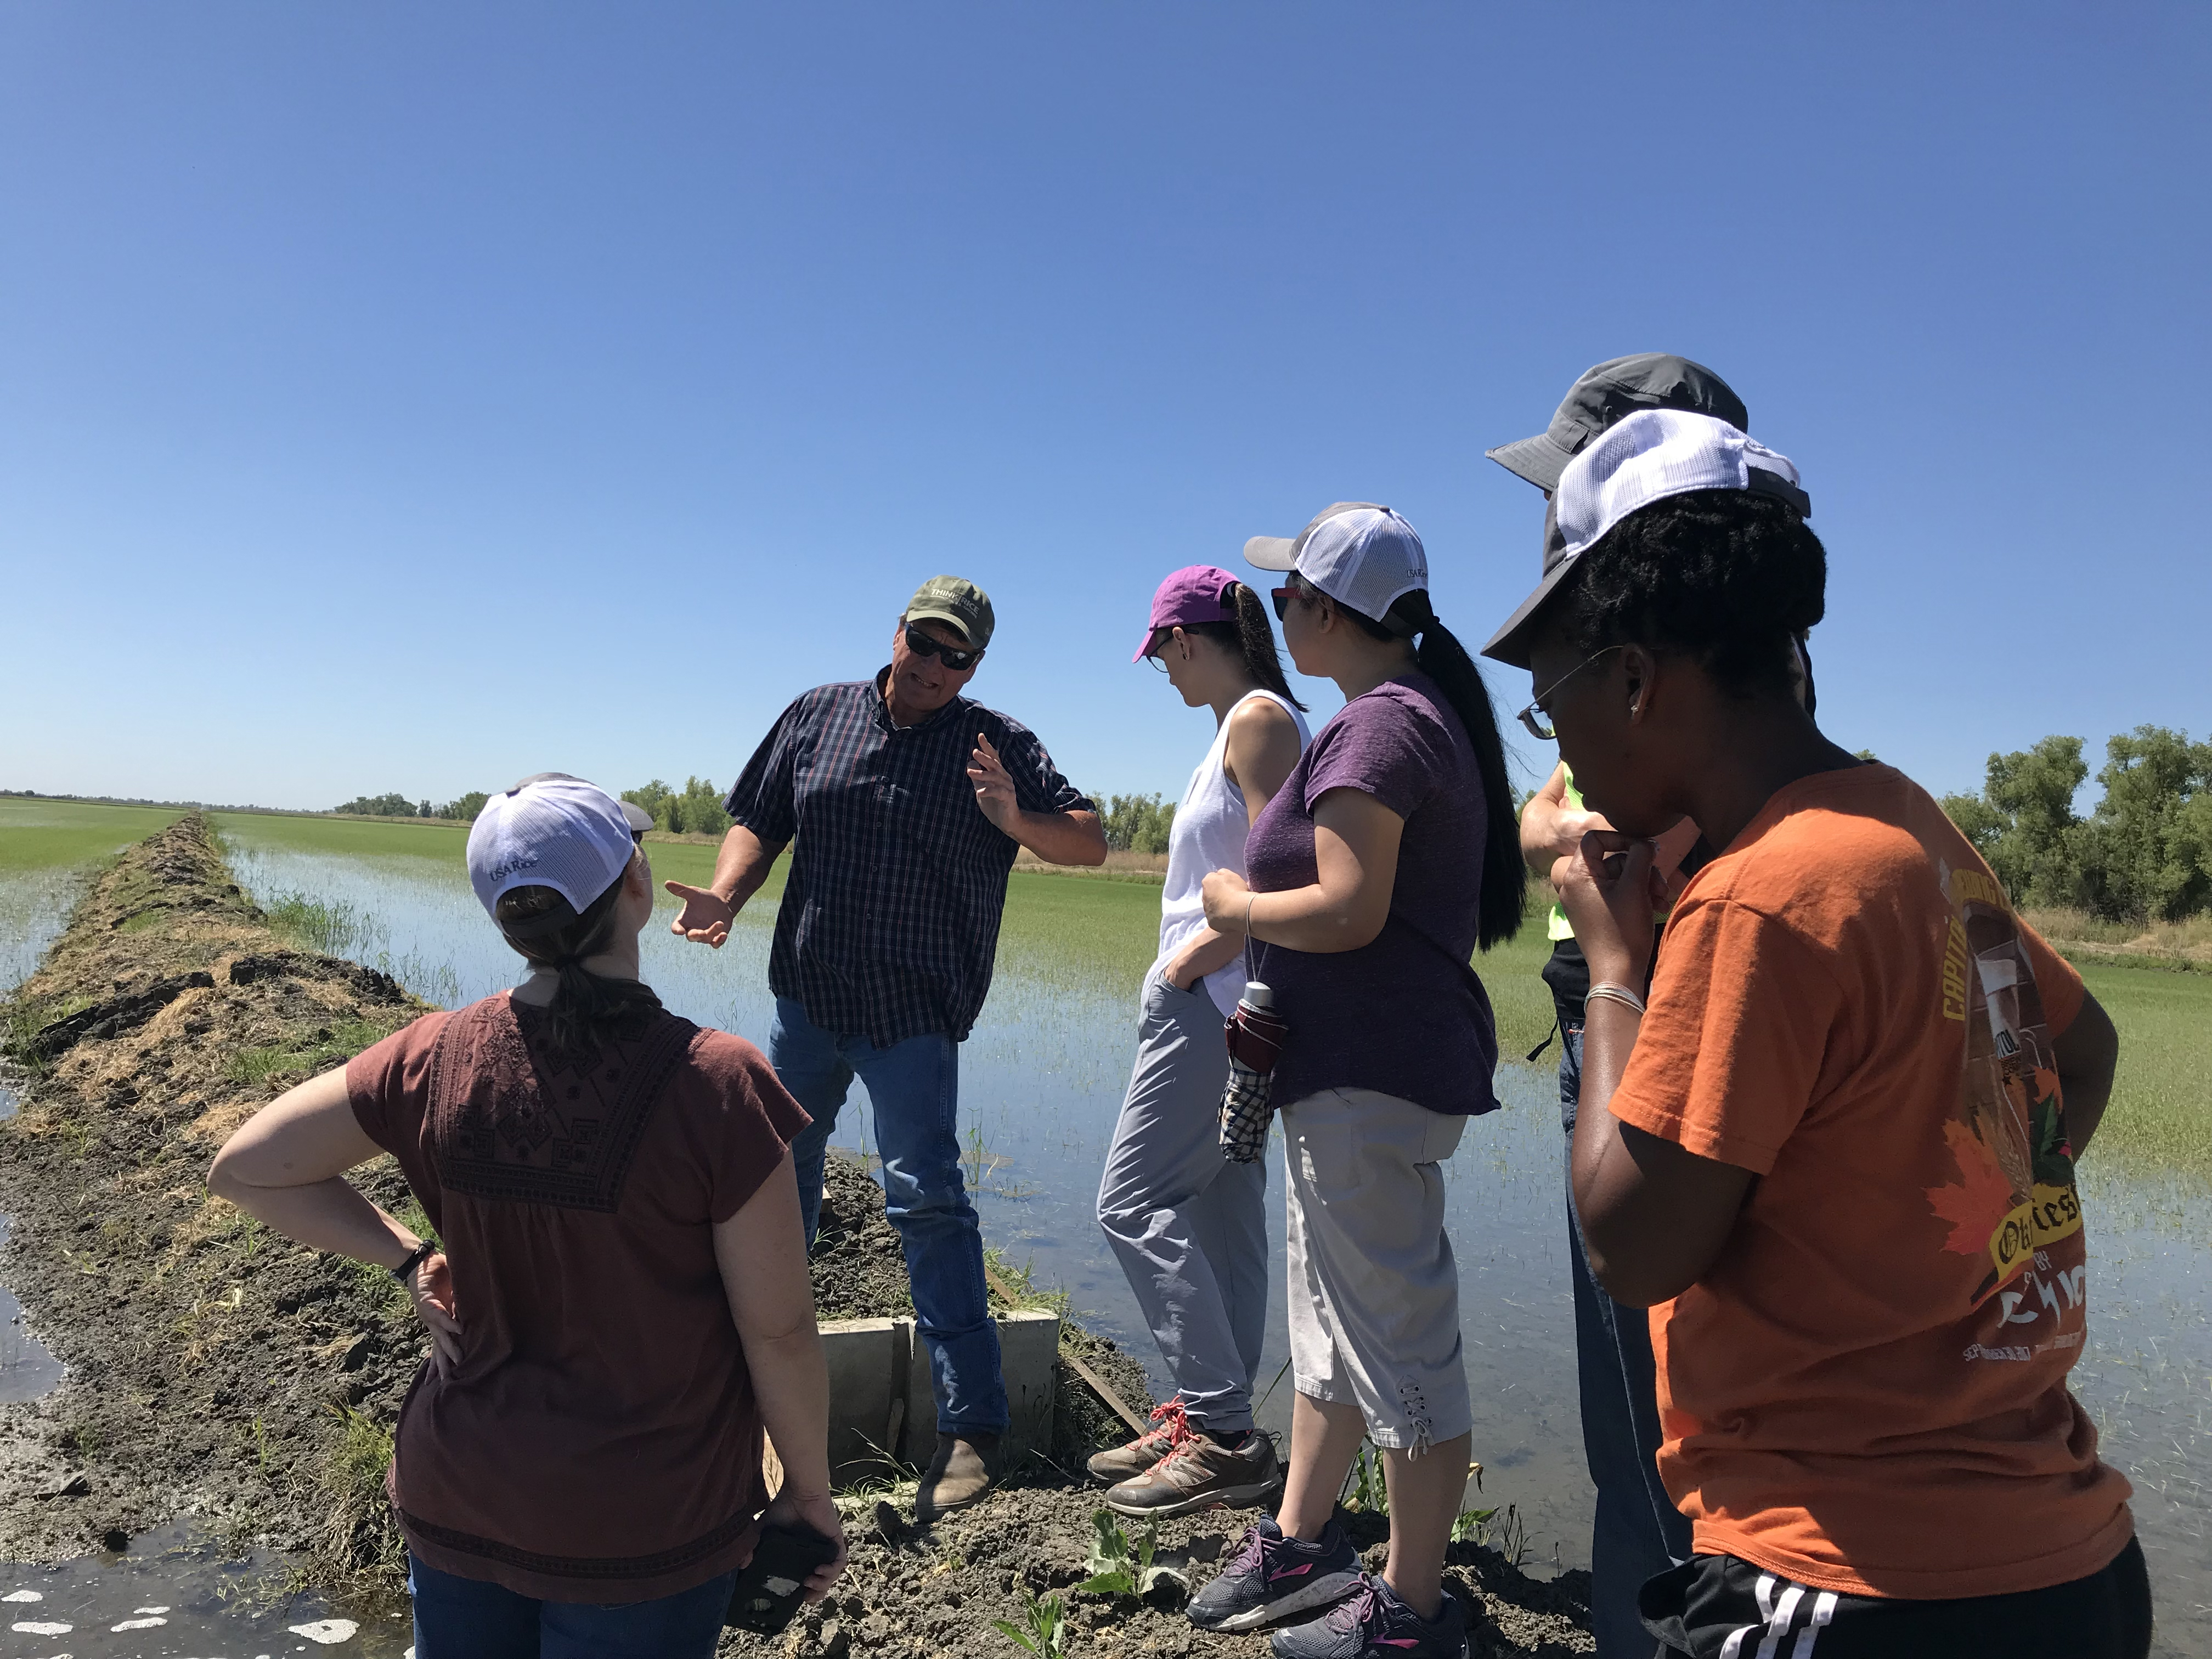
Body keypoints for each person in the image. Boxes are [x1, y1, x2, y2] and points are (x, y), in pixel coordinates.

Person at [1515, 410, 2146, 1656]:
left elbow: (1632, 1243)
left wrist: (1613, 968)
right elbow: (2082, 1053)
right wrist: (1941, 1253)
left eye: (1552, 708)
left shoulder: (1757, 894)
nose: (1566, 755)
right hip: (2067, 1565)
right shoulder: (1905, 827)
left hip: (1851, 1575)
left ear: (1636, 677)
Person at [208, 774, 845, 1659]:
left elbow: (248, 1168)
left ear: (506, 922)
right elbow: (778, 1330)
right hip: (643, 1527)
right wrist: (807, 1495)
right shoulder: (719, 1086)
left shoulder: (433, 1056)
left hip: (460, 1492)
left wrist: (406, 1259)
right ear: (636, 885)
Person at [667, 576, 1107, 1520]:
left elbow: (1092, 841)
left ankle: (972, 1427)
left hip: (914, 1018)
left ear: (976, 667)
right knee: (774, 1192)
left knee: (928, 1202)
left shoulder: (1001, 746)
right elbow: (759, 815)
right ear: (899, 632)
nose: (941, 667)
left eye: (963, 657)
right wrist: (729, 894)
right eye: (930, 643)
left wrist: (1014, 820)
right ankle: (745, 1396)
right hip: (809, 1004)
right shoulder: (817, 717)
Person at [1182, 504, 1526, 1659]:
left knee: (1401, 1342)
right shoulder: (1391, 717)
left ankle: (1416, 1607)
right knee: (1330, 1327)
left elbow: (1349, 904)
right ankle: (1301, 1537)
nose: (1276, 614)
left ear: (1331, 612)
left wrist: (1232, 908)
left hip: (1370, 1075)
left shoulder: (1382, 729)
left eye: (1289, 599)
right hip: (1344, 1074)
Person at [1483, 353, 1750, 1655]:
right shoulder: (1805, 761)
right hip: (1622, 1036)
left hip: (1641, 1045)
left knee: (1654, 1440)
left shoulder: (1692, 759)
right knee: (1636, 1438)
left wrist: (1613, 961)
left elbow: (1575, 830)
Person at [1090, 566, 1311, 1517]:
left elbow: (1282, 868)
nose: (1163, 674)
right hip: (1226, 1003)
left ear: (1186, 640)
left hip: (1211, 1001)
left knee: (1129, 1201)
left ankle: (1222, 1429)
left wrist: (1188, 965)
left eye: (1161, 656)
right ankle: (1218, 1426)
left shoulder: (1259, 721)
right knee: (1222, 1213)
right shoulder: (1237, 727)